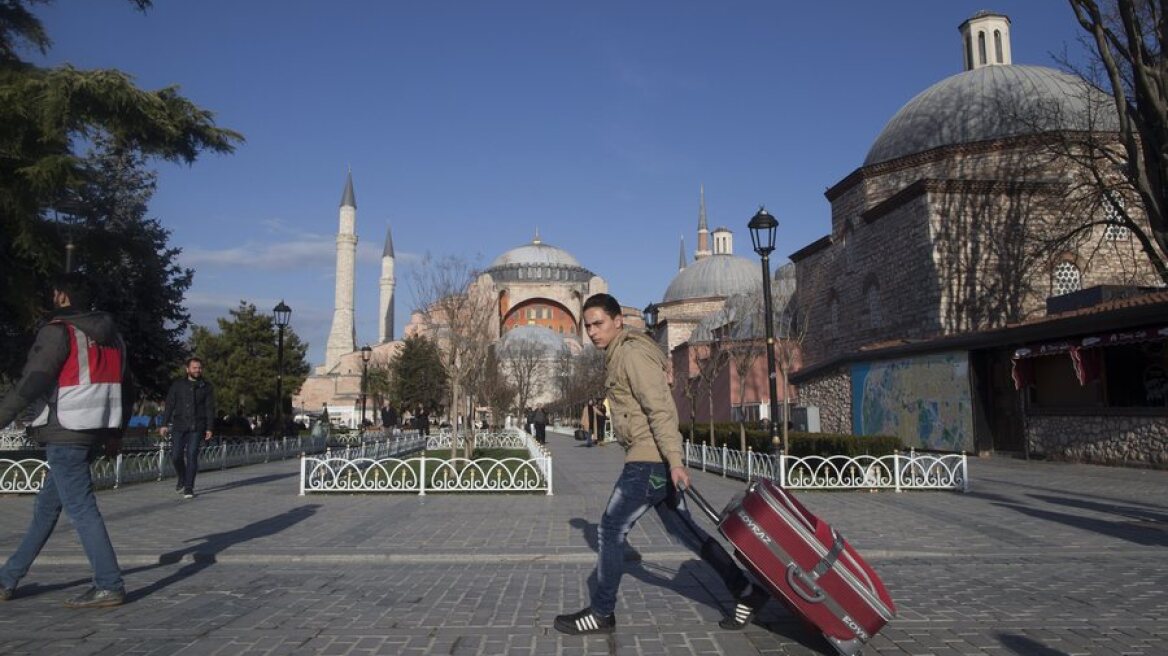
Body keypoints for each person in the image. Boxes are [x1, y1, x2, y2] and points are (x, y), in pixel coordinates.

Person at [554, 293, 768, 635]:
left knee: (610, 529)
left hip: (647, 463)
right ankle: (746, 592)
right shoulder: (619, 353)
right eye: (588, 326)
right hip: (652, 460)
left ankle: (602, 612)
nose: (592, 332)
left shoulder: (631, 354)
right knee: (687, 532)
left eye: (598, 324)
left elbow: (661, 409)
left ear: (617, 321)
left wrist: (675, 461)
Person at [0, 273, 133, 608]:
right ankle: (7, 578)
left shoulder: (59, 331)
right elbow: (127, 388)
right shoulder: (114, 337)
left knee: (81, 508)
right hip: (95, 429)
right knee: (46, 509)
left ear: (62, 296)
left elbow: (32, 381)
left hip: (65, 428)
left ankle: (109, 583)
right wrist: (116, 433)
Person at [159, 357, 216, 498]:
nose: (197, 370)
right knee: (176, 455)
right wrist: (164, 424)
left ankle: (189, 487)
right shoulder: (178, 385)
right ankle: (182, 477)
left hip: (197, 426)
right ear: (187, 369)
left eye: (199, 368)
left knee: (192, 454)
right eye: (194, 368)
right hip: (179, 425)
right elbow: (169, 405)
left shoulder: (206, 386)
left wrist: (209, 428)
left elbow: (209, 408)